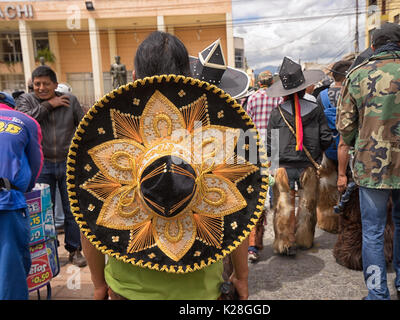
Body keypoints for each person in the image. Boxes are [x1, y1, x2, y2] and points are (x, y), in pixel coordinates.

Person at [79, 31, 253, 300]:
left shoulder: (110, 133)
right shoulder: (216, 131)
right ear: (188, 73)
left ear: (134, 76)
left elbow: (87, 221)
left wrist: (99, 282)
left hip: (129, 289)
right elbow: (239, 216)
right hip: (200, 291)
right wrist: (241, 276)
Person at [336, 22, 400, 300]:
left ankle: (377, 292)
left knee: (373, 229)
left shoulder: (357, 75)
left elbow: (344, 126)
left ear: (373, 46)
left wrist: (364, 140)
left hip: (371, 165)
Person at [15, 66, 87, 267]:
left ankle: (75, 250)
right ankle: (49, 251)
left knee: (72, 209)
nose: (41, 87)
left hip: (67, 162)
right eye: (37, 84)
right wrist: (49, 105)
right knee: (44, 211)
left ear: (56, 84)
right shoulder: (26, 100)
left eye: (46, 83)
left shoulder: (70, 101)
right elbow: (25, 122)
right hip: (40, 163)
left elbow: (83, 126)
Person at [266, 57, 333, 256]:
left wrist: (274, 164)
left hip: (283, 167)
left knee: (283, 204)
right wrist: (317, 154)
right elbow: (326, 138)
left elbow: (272, 144)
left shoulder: (276, 113)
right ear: (304, 88)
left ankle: (285, 243)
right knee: (307, 205)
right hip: (308, 166)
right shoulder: (316, 109)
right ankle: (304, 240)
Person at [0, 92, 43, 299]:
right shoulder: (26, 121)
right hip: (7, 202)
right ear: (12, 106)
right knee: (11, 273)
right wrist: (26, 188)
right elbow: (36, 163)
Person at [245, 71, 282, 262]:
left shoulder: (252, 98)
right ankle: (271, 205)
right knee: (272, 180)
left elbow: (247, 120)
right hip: (273, 141)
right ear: (271, 82)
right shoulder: (277, 98)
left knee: (256, 183)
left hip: (254, 142)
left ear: (259, 83)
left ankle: (253, 240)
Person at [315, 60, 352, 234]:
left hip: (328, 148)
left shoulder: (322, 96)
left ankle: (330, 222)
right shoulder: (353, 92)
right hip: (351, 148)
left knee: (329, 190)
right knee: (352, 188)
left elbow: (318, 125)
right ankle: (350, 222)